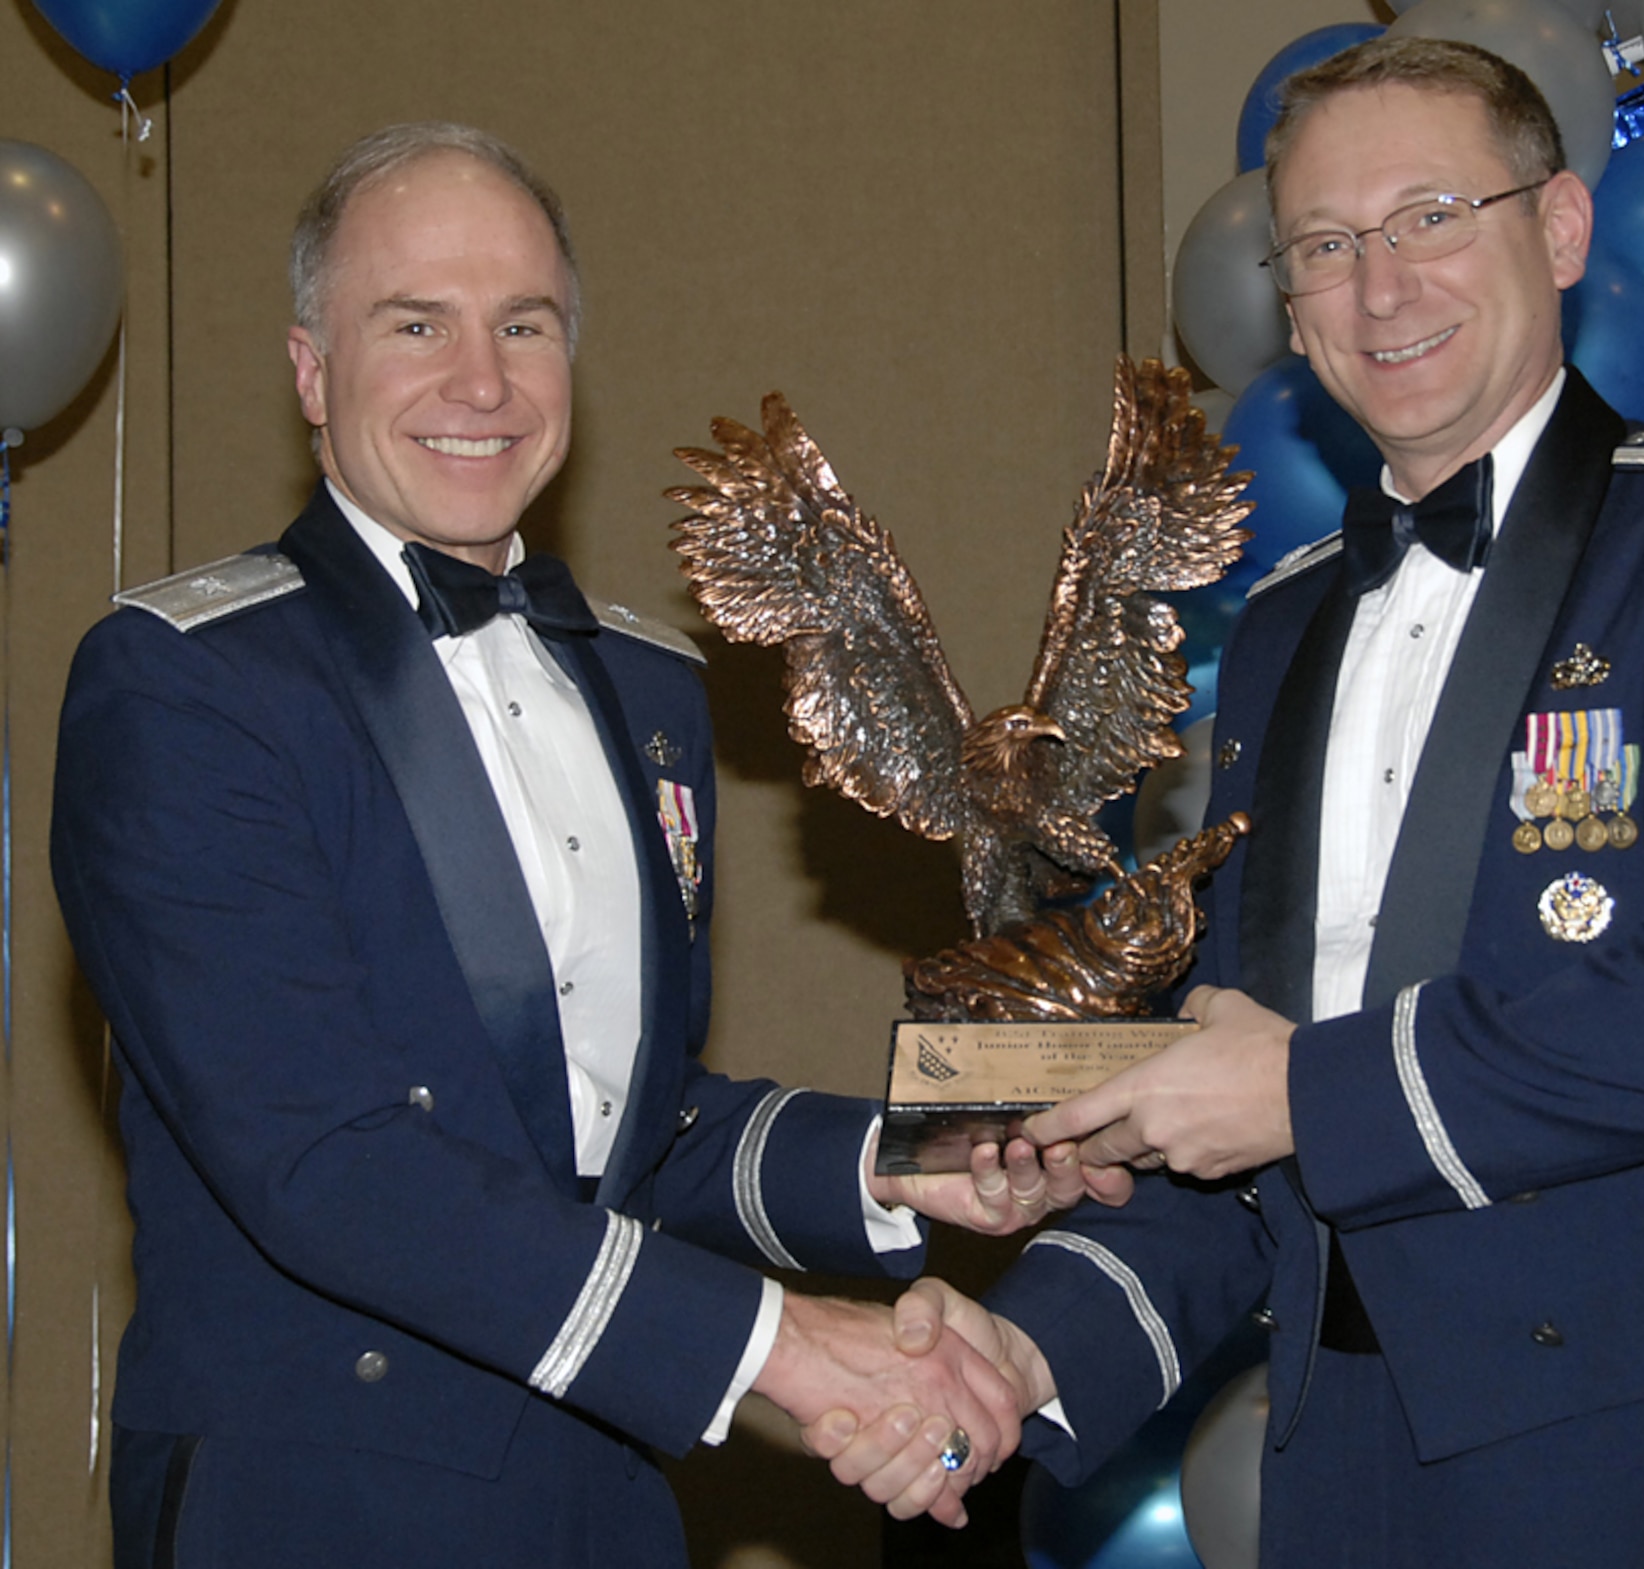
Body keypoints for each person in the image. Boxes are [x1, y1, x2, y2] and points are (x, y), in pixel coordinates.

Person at [816, 37, 1644, 1567]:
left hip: (1617, 1447)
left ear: (1561, 228)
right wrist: (1026, 1350)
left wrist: (1306, 1093)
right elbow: (1232, 1105)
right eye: (1325, 245)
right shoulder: (1283, 627)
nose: (1382, 288)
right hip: (1329, 1457)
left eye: (1432, 217)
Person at [50, 122, 1125, 1569]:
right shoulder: (187, 685)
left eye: (524, 324)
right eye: (414, 323)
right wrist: (782, 1345)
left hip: (601, 1499)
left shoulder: (645, 685)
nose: (479, 381)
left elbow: (626, 1129)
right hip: (318, 1505)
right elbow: (330, 1161)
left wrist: (911, 1155)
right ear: (310, 370)